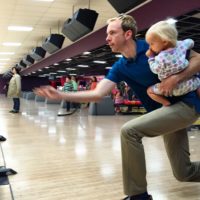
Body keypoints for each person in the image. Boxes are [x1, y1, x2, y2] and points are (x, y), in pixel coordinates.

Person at [34, 14, 200, 200]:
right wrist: (61, 95)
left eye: (112, 33)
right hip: (165, 113)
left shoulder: (153, 46)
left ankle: (138, 196)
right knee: (184, 172)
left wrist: (176, 78)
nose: (107, 38)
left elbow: (197, 58)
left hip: (186, 105)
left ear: (128, 34)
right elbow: (97, 94)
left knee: (130, 131)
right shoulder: (120, 67)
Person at [145, 19, 200, 106]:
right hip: (191, 83)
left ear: (164, 41)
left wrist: (150, 58)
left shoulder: (161, 58)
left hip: (173, 89)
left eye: (152, 44)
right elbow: (190, 42)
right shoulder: (182, 45)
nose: (150, 47)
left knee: (149, 91)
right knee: (198, 80)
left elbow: (155, 69)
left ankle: (166, 103)